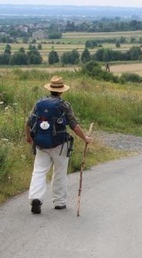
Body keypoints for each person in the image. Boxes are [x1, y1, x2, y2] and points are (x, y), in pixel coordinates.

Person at [25, 76, 91, 214]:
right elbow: (74, 126)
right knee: (60, 172)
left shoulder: (39, 104)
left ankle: (36, 198)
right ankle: (59, 202)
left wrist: (29, 137)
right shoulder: (64, 105)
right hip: (60, 145)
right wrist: (85, 138)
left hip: (41, 143)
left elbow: (28, 122)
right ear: (61, 91)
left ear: (50, 89)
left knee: (39, 171)